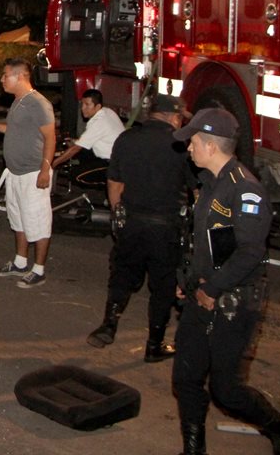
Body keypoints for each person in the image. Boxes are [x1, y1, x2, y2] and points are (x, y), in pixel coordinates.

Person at [171, 108, 280, 455]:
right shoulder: (209, 182)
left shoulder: (245, 190)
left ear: (211, 146)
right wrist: (188, 283)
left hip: (233, 301)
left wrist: (212, 289)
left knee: (226, 389)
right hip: (201, 294)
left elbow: (249, 253)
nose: (188, 148)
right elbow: (206, 242)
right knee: (185, 378)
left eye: (194, 142)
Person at [87, 93, 195, 361]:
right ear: (173, 116)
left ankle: (108, 325)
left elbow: (114, 183)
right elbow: (196, 190)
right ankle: (154, 344)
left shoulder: (127, 138)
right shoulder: (182, 144)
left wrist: (118, 216)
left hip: (131, 222)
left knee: (122, 275)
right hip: (166, 228)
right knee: (163, 286)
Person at [0, 58, 56, 287]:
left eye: (5, 75)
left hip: (33, 172)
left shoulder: (38, 103)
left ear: (21, 77)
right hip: (15, 172)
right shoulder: (18, 101)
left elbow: (50, 137)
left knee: (37, 220)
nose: (2, 79)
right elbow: (19, 129)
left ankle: (39, 269)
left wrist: (45, 170)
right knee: (18, 219)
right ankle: (20, 262)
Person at [50, 89, 125, 187]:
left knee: (75, 175)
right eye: (82, 104)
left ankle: (112, 185)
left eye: (87, 105)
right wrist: (75, 143)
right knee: (79, 152)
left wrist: (54, 164)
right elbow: (83, 142)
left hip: (114, 163)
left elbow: (75, 148)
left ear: (97, 106)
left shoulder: (99, 122)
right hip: (117, 155)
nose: (83, 108)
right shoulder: (107, 111)